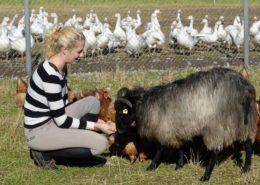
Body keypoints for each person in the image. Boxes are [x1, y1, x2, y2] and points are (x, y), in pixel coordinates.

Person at [23, 26, 116, 170]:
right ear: (65, 50)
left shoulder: (60, 66)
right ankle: (43, 153)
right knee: (101, 144)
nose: (82, 55)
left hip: (52, 121)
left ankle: (76, 146)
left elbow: (62, 107)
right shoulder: (50, 76)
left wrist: (97, 122)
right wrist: (96, 126)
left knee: (92, 103)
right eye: (79, 51)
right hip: (38, 132)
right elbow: (61, 120)